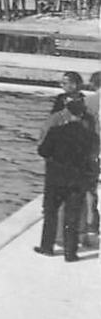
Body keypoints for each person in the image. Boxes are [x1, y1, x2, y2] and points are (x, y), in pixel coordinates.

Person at [35, 93, 100, 262]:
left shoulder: (56, 132)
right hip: (77, 180)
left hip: (55, 179)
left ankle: (47, 246)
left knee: (51, 213)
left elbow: (43, 151)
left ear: (68, 113)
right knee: (73, 215)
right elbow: (94, 155)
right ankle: (71, 253)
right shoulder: (91, 136)